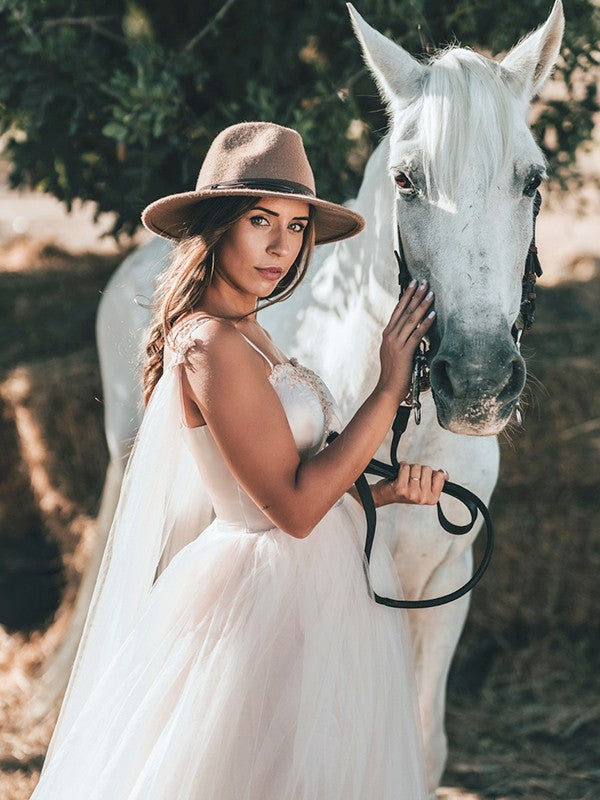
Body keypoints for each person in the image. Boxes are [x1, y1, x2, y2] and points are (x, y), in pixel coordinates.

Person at [30, 122, 445, 799]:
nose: (281, 245)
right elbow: (292, 508)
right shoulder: (210, 344)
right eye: (260, 220)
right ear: (218, 226)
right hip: (258, 601)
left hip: (313, 589)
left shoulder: (254, 334)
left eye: (296, 226)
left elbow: (294, 479)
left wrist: (388, 492)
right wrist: (390, 385)